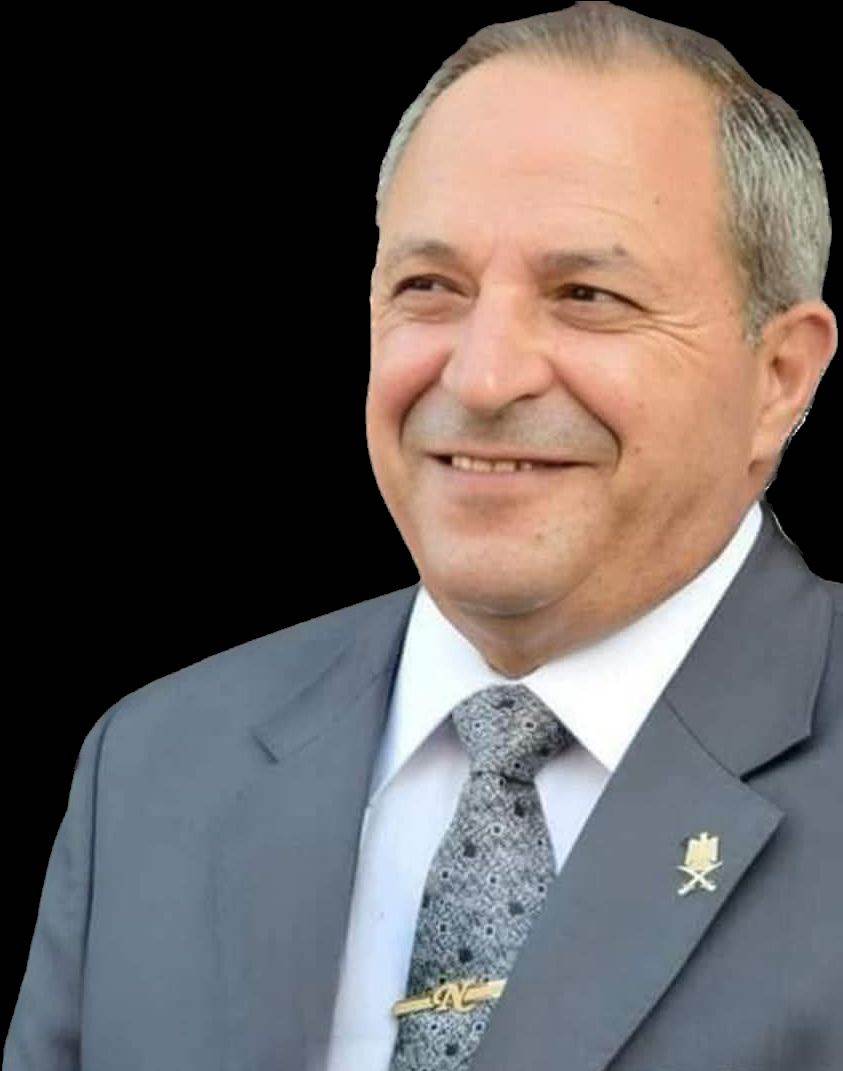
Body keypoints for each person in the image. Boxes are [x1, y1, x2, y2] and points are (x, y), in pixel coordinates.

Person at [5, 4, 841, 1070]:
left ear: (779, 378)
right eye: (430, 288)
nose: (482, 376)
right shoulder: (157, 768)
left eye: (587, 295)